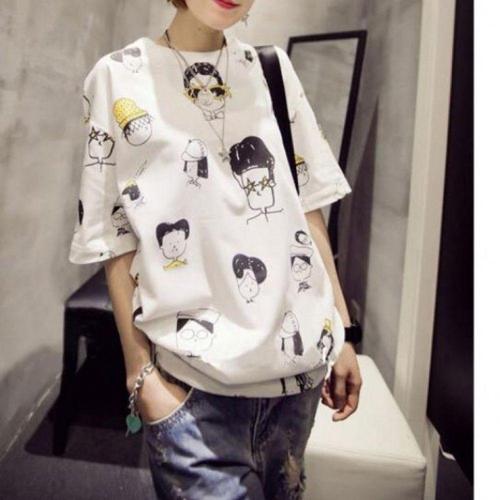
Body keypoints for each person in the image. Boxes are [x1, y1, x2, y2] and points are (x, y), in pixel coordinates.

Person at [68, 0, 363, 498]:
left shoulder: (271, 70)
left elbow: (307, 208)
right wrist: (140, 376)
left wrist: (344, 333)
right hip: (194, 396)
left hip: (298, 385)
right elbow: (114, 237)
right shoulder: (118, 77)